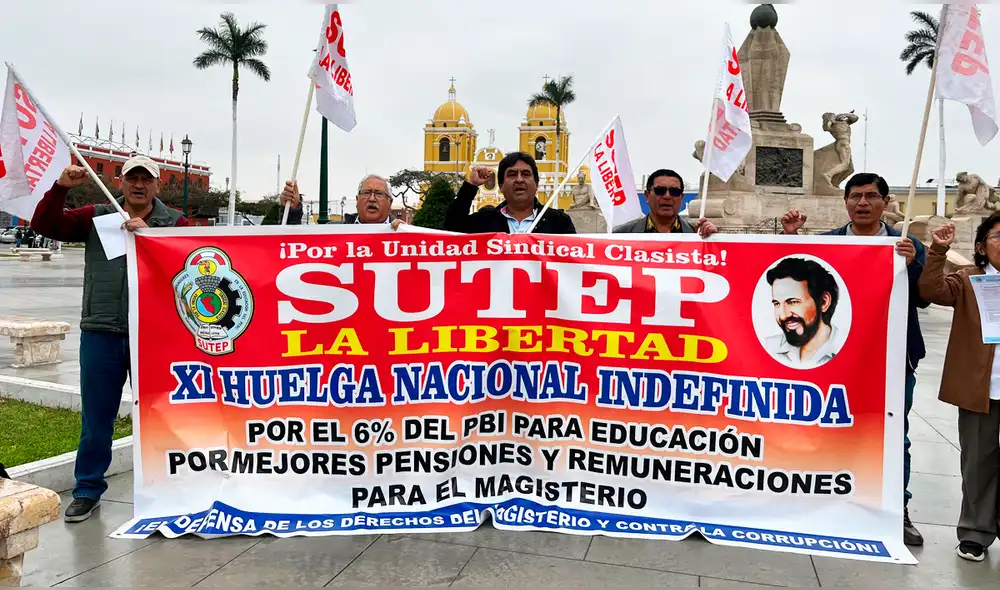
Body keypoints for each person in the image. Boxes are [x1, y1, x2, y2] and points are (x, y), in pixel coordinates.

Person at [30, 156, 191, 523]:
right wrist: (60, 188)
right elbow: (45, 224)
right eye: (132, 178)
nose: (139, 185)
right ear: (121, 183)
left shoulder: (174, 223)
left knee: (164, 415)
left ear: (157, 185)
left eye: (146, 179)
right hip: (101, 332)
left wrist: (152, 239)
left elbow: (193, 264)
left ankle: (171, 486)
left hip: (154, 335)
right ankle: (87, 489)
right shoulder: (97, 217)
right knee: (97, 417)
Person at [782, 172, 928, 546]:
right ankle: (820, 503)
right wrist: (792, 239)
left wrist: (913, 264)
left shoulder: (906, 244)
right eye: (856, 196)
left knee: (892, 435)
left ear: (885, 202)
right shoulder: (826, 244)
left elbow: (925, 297)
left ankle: (896, 510)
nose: (863, 203)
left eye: (871, 196)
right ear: (845, 202)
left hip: (891, 359)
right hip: (834, 357)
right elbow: (796, 279)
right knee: (824, 429)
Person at [919, 217, 1000, 562]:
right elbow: (931, 290)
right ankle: (975, 533)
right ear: (981, 246)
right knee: (978, 462)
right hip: (980, 390)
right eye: (999, 236)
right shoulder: (970, 280)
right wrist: (938, 251)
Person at [445, 152, 576, 234]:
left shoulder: (558, 222)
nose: (519, 180)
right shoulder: (484, 220)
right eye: (512, 174)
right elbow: (451, 228)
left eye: (526, 174)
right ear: (501, 186)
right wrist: (471, 186)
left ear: (536, 184)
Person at [765, 257, 841, 368]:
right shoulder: (768, 347)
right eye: (777, 303)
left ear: (824, 302)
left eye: (793, 302)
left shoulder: (847, 348)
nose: (783, 315)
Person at [613, 169, 718, 238]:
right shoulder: (621, 235)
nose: (667, 196)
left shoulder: (696, 235)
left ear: (681, 197)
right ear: (647, 195)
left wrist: (714, 240)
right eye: (660, 191)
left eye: (674, 192)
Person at [281, 175, 402, 228]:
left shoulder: (404, 232)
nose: (371, 199)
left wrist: (408, 236)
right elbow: (296, 248)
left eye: (379, 194)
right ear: (357, 200)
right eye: (366, 193)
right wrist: (292, 211)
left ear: (390, 203)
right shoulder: (332, 232)